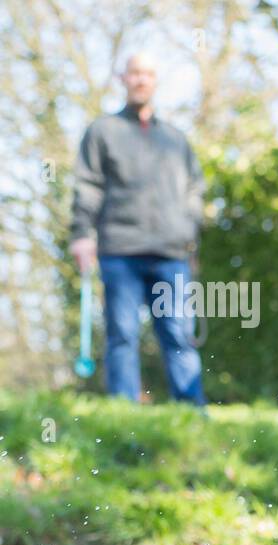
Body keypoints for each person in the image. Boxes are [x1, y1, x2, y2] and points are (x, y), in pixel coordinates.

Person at [70, 53, 206, 406]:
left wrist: (189, 228)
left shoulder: (176, 139)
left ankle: (191, 412)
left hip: (171, 252)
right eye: (135, 74)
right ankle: (123, 413)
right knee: (122, 335)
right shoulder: (102, 131)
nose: (141, 80)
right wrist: (82, 234)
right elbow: (87, 186)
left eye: (148, 74)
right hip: (120, 249)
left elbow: (196, 188)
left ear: (155, 80)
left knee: (179, 333)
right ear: (123, 79)